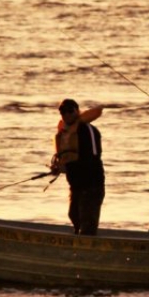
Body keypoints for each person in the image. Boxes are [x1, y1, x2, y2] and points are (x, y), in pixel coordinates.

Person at [51, 98, 105, 236]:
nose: (67, 114)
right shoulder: (65, 133)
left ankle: (87, 249)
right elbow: (65, 158)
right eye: (63, 111)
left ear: (77, 111)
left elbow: (92, 158)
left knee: (88, 223)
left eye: (70, 111)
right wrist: (59, 167)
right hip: (76, 185)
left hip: (92, 185)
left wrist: (69, 168)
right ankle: (76, 246)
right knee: (73, 215)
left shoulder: (88, 130)